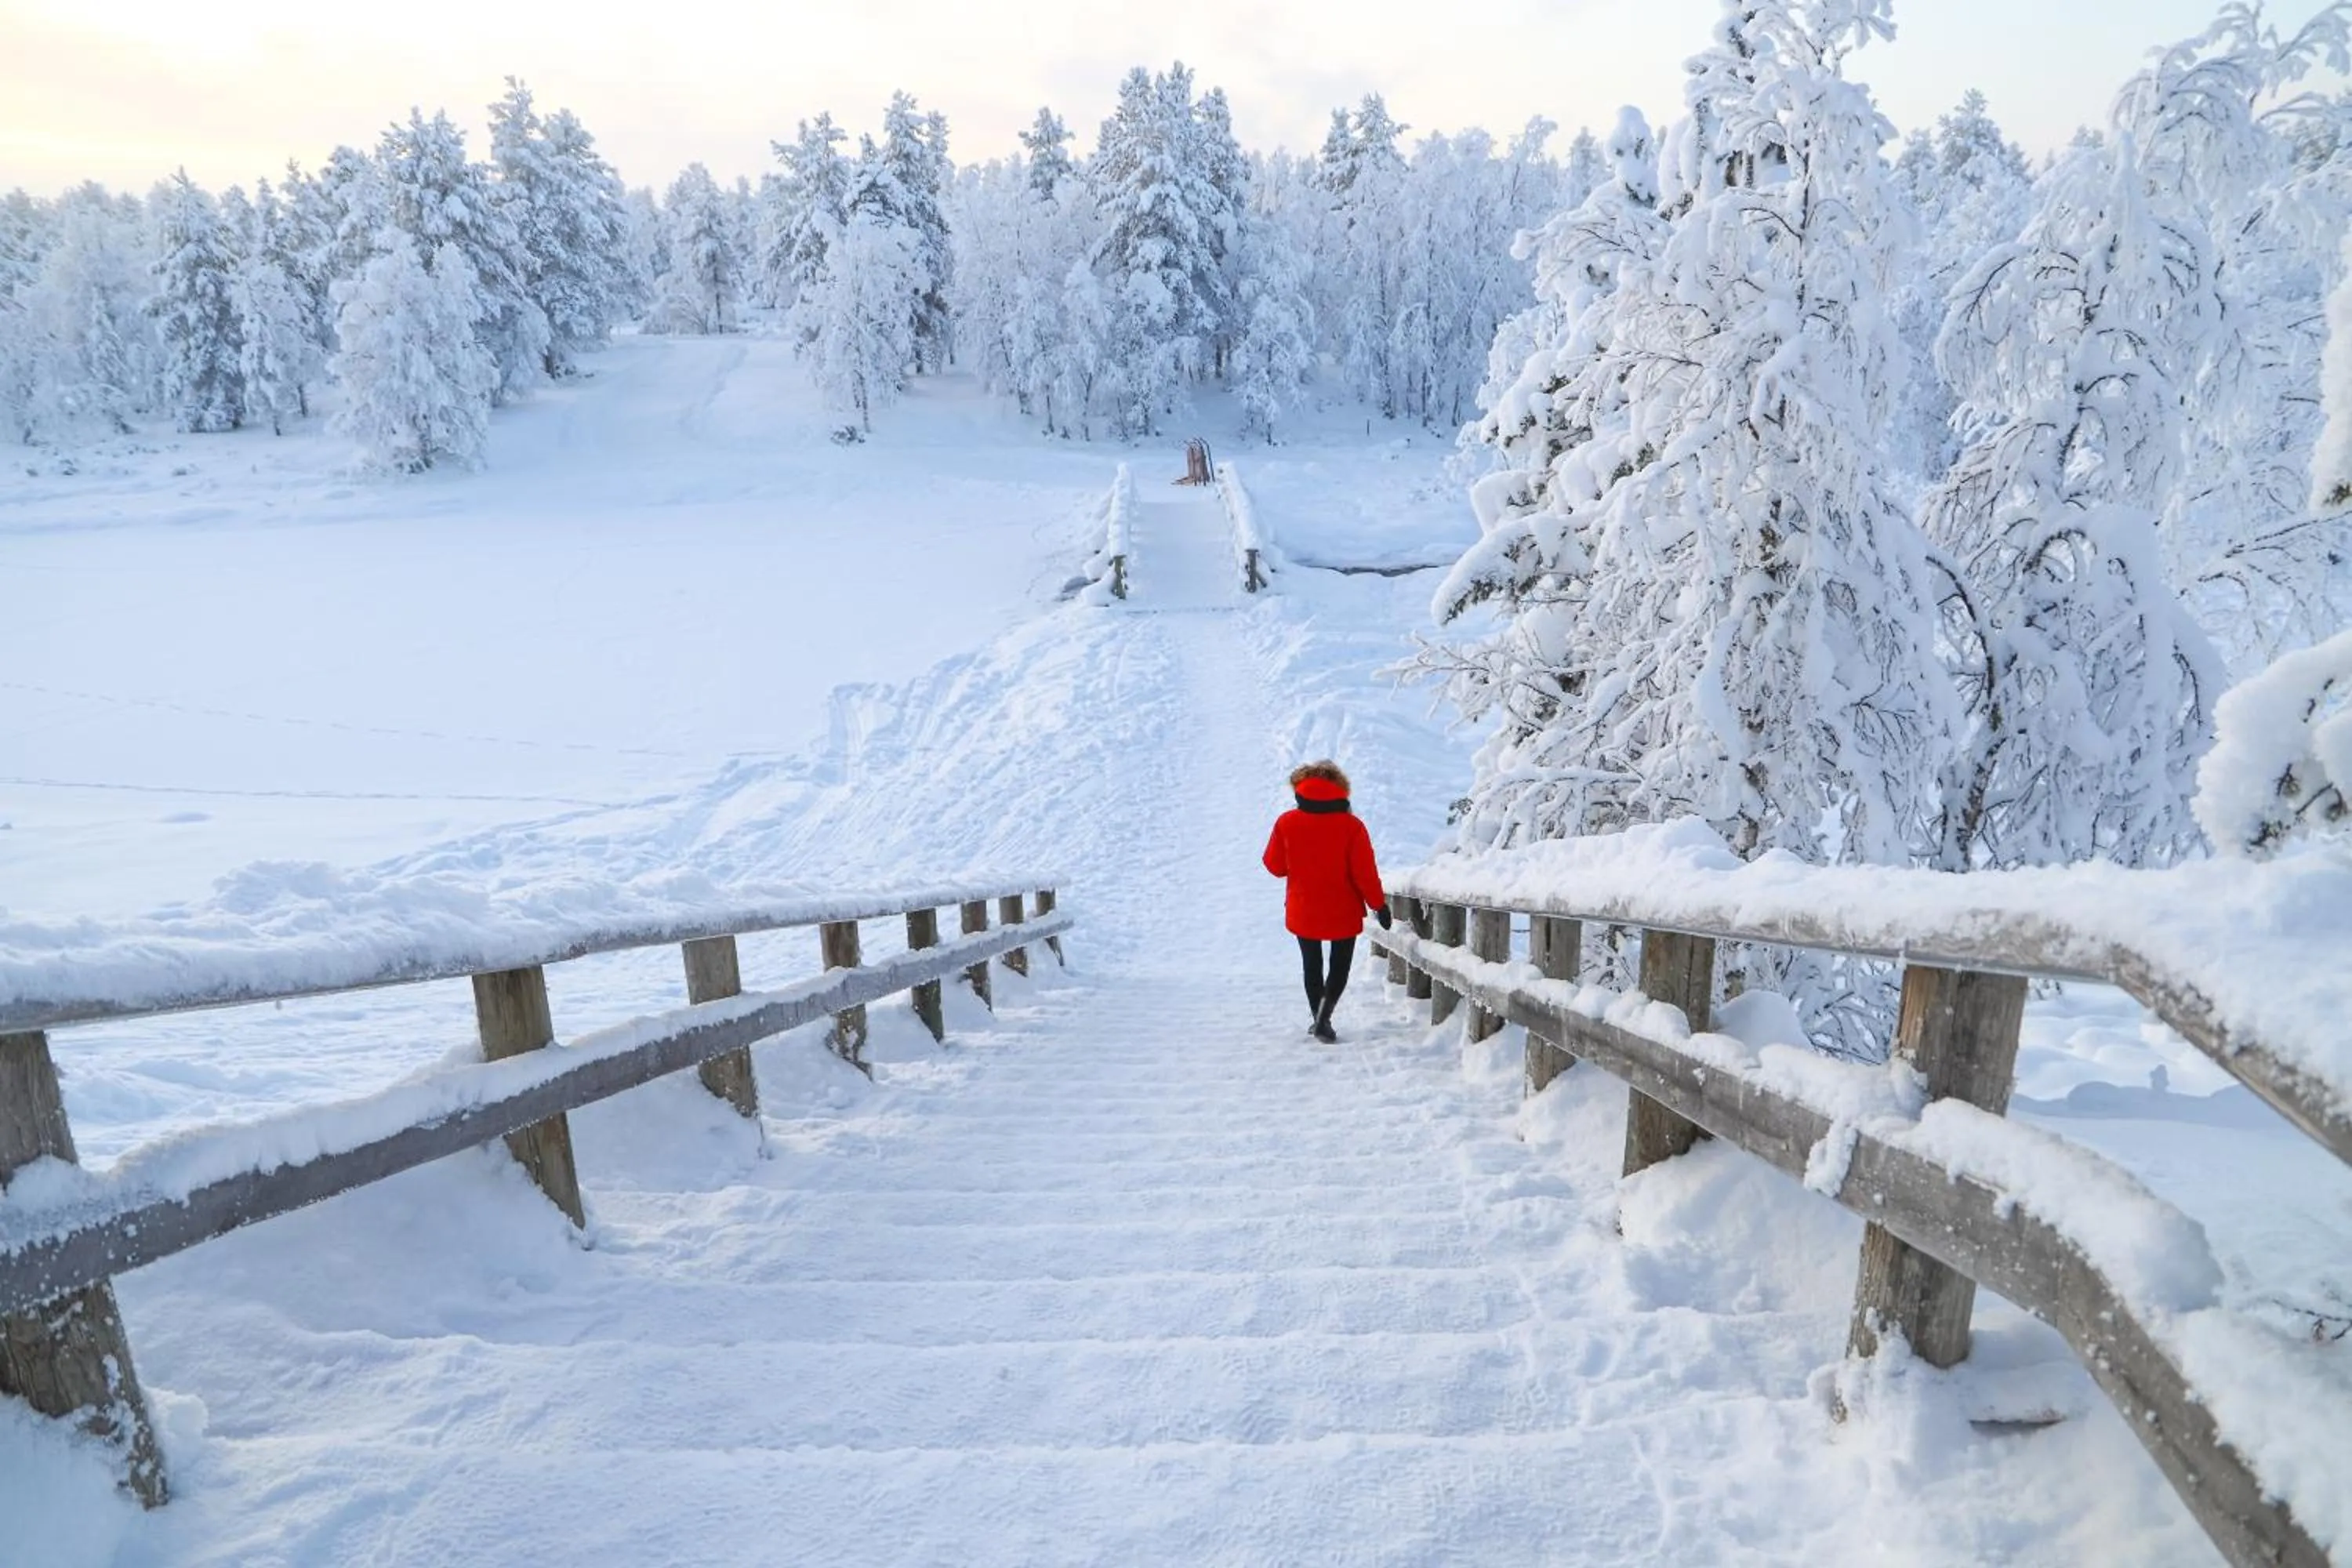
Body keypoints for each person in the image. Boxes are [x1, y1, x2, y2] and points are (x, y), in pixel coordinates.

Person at [1261, 760, 1391, 1043]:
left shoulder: (1286, 822)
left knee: (1312, 964)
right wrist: (1378, 905)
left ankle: (1317, 1019)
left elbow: (1275, 867)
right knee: (1339, 966)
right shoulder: (1353, 826)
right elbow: (1365, 873)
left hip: (1303, 908)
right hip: (1342, 909)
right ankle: (1324, 1018)